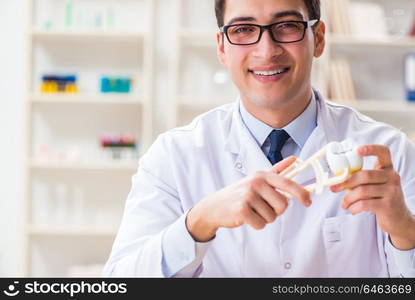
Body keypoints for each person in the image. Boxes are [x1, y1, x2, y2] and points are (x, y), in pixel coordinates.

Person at [103, 0, 415, 277]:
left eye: (287, 26)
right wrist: (199, 222)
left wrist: (405, 229)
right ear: (222, 47)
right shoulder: (174, 155)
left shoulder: (389, 153)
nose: (266, 50)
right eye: (242, 30)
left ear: (318, 39)